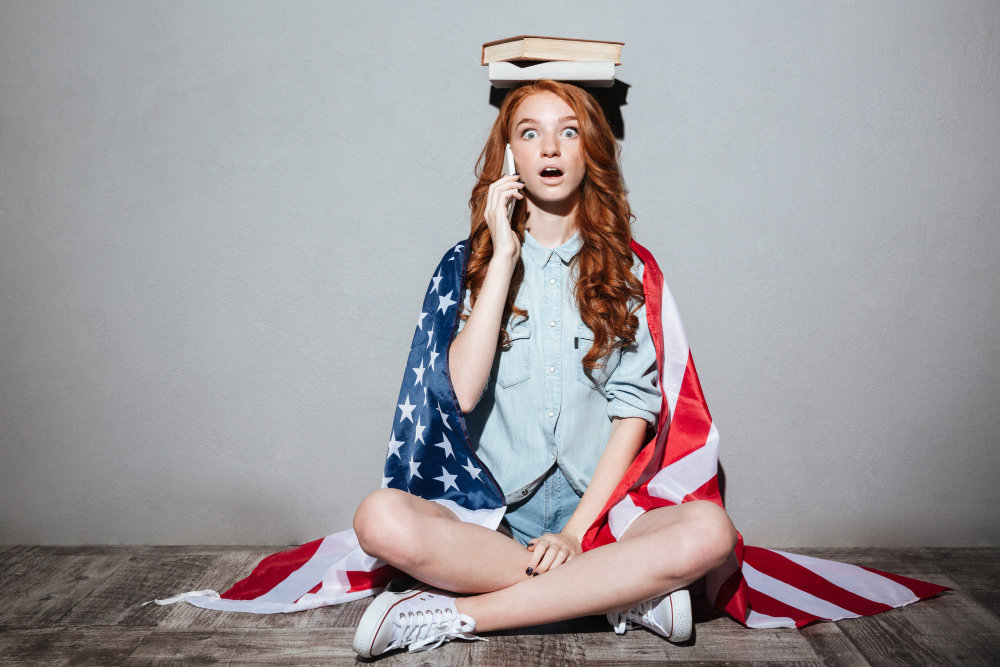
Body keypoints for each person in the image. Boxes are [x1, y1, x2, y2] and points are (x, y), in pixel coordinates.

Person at [350, 79, 738, 657]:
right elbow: (457, 393)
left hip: (602, 520)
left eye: (568, 132)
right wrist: (504, 255)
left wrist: (577, 535)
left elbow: (634, 412)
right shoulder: (469, 266)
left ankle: (457, 615)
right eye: (530, 133)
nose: (549, 148)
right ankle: (620, 594)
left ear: (590, 151)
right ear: (509, 155)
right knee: (378, 519)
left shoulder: (629, 270)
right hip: (494, 524)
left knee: (712, 532)